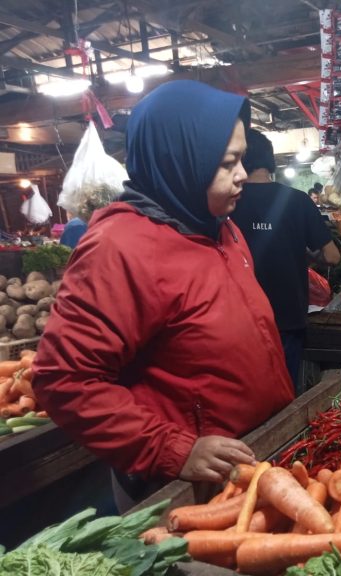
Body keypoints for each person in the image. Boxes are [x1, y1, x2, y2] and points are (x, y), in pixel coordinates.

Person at [32, 80, 295, 511]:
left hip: (251, 461)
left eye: (242, 159)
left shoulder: (218, 227)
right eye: (228, 163)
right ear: (180, 161)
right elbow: (63, 379)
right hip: (184, 486)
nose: (243, 175)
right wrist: (172, 449)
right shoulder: (118, 247)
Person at [231, 130, 340, 394]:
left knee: (248, 395)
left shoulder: (229, 203)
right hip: (288, 316)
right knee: (284, 394)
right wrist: (301, 252)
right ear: (271, 161)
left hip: (241, 320)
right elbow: (332, 256)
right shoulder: (297, 201)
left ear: (242, 159)